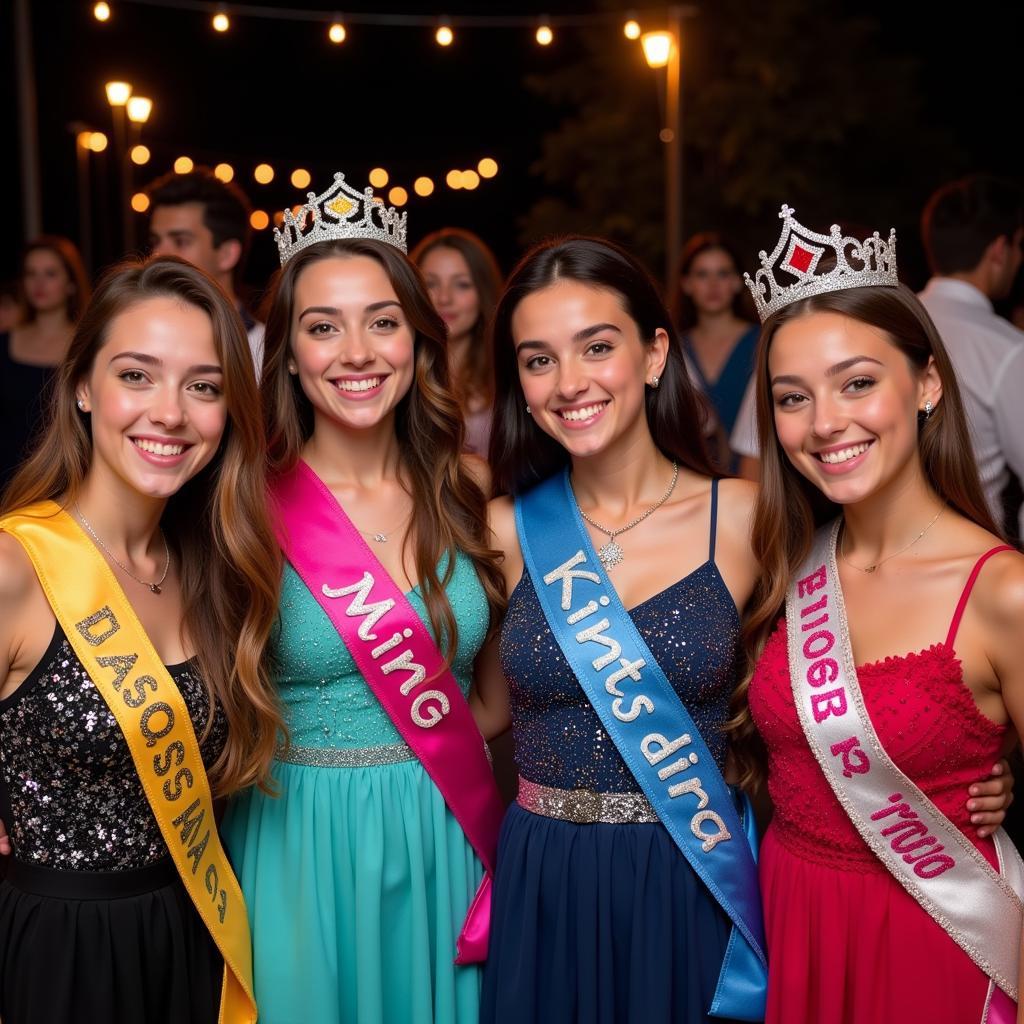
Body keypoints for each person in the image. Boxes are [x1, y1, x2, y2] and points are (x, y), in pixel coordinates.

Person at [220, 173, 507, 1024]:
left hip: (442, 833)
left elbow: (494, 701)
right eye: (323, 327)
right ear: (288, 348)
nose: (356, 353)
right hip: (296, 842)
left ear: (419, 342)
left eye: (383, 322)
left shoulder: (468, 490)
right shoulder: (241, 506)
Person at [736, 205, 1024, 1023]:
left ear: (927, 382)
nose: (827, 423)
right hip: (793, 922)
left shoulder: (1003, 593)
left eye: (858, 382)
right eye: (793, 398)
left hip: (936, 939)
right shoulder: (787, 564)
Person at [472, 234, 768, 1024]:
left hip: (688, 866)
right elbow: (482, 710)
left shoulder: (742, 518)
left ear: (653, 353)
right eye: (539, 360)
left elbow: (806, 698)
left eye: (596, 347)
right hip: (546, 870)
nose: (570, 383)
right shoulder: (503, 530)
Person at [0, 255, 282, 1024]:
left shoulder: (206, 572)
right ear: (84, 388)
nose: (170, 413)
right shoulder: (15, 565)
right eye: (137, 375)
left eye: (204, 386)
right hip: (62, 960)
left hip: (189, 940)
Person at [918, 175, 1024, 540]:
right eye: (1019, 246)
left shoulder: (891, 322)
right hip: (976, 561)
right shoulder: (1006, 349)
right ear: (999, 250)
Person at [146, 166, 265, 369]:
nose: (159, 255)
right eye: (156, 241)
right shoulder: (142, 340)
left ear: (226, 254)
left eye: (181, 241)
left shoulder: (266, 353)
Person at [1, 236, 90, 489]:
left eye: (50, 274)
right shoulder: (4, 343)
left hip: (65, 480)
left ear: (71, 283)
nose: (39, 283)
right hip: (5, 479)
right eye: (31, 274)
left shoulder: (86, 347)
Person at [411, 228, 502, 456]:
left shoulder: (507, 375)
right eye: (431, 284)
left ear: (483, 292)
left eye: (461, 284)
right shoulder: (397, 374)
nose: (444, 298)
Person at [672, 233, 759, 470]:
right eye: (702, 274)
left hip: (759, 483)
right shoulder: (671, 349)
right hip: (690, 480)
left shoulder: (764, 342)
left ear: (737, 282)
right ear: (687, 284)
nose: (713, 284)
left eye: (723, 273)